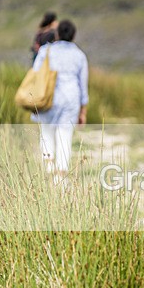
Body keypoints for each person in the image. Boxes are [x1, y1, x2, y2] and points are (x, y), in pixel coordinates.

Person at [31, 19, 89, 182]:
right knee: (64, 136)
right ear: (73, 35)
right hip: (71, 99)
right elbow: (82, 85)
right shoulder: (79, 56)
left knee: (47, 133)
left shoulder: (45, 51)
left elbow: (35, 73)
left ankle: (48, 173)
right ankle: (61, 180)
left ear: (57, 34)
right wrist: (83, 111)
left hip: (49, 97)